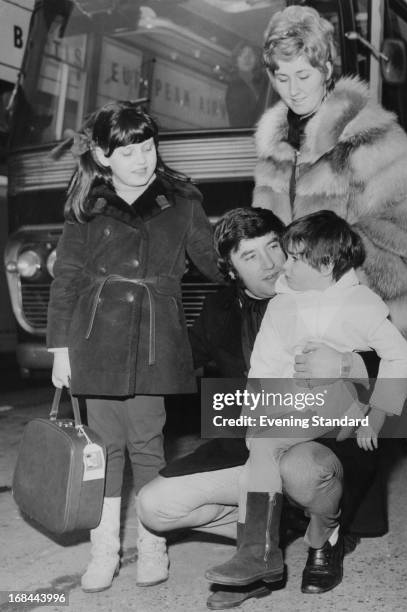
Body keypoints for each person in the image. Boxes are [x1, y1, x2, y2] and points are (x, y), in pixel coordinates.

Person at [138, 207, 385, 609]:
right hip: (257, 441)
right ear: (230, 269)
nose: (270, 264)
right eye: (250, 256)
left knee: (299, 470)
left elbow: (392, 357)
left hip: (322, 440)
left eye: (274, 246)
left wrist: (347, 363)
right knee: (154, 507)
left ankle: (327, 532)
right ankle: (270, 535)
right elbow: (177, 362)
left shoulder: (325, 287)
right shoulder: (218, 309)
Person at [47, 101, 222, 593]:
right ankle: (103, 553)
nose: (142, 160)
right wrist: (59, 349)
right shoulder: (87, 207)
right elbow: (66, 279)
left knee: (148, 443)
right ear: (103, 156)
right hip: (93, 340)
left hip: (153, 341)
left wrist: (258, 261)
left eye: (147, 147)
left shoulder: (182, 202)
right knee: (103, 450)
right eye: (127, 152)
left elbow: (212, 262)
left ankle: (152, 545)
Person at [204, 210, 407, 587]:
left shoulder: (360, 303)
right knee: (262, 449)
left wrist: (378, 413)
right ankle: (263, 551)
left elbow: (401, 356)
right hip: (294, 406)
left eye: (296, 258)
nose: (286, 264)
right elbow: (263, 364)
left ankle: (260, 553)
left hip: (340, 406)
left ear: (327, 263)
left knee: (267, 448)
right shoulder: (284, 304)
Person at [252, 5, 407, 379]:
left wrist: (335, 268)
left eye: (304, 74)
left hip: (376, 336)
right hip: (305, 337)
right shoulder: (274, 149)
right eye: (283, 77)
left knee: (368, 434)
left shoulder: (368, 133)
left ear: (326, 70)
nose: (293, 89)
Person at [226, 42, 267, 128]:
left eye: (251, 54)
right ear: (236, 60)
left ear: (256, 59)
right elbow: (239, 123)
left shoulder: (261, 83)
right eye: (242, 55)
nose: (247, 58)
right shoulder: (235, 88)